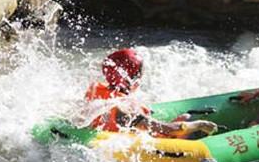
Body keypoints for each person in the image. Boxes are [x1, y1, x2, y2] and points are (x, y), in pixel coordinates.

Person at [84, 48, 217, 137]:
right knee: (188, 119)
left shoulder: (96, 91)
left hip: (109, 138)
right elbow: (168, 129)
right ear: (132, 77)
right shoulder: (126, 107)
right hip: (143, 150)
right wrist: (199, 124)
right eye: (140, 73)